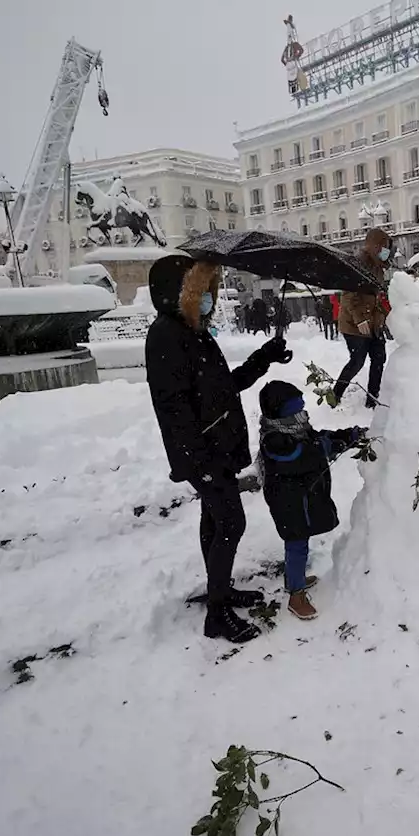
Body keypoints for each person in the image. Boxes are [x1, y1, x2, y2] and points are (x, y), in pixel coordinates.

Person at [145, 254, 291, 643]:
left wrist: (264, 358)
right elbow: (173, 410)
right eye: (202, 290)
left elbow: (223, 387)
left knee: (216, 520)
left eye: (210, 290)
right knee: (231, 522)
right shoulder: (167, 335)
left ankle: (220, 591)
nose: (209, 298)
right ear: (179, 294)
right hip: (203, 452)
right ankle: (217, 613)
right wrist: (200, 460)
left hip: (216, 447)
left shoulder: (193, 332)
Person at [256, 381, 366, 620]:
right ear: (281, 413)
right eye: (296, 410)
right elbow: (304, 454)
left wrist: (346, 436)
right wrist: (328, 446)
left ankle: (293, 579)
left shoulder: (293, 429)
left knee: (298, 543)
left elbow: (317, 438)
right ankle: (296, 595)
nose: (302, 414)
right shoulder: (275, 441)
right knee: (297, 544)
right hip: (288, 504)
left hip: (297, 500)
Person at [333, 228, 392, 407]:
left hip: (373, 323)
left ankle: (372, 400)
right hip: (353, 323)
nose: (387, 251)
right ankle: (335, 396)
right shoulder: (358, 263)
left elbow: (377, 296)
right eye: (384, 247)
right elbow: (349, 294)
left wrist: (384, 314)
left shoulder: (378, 267)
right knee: (357, 361)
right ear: (375, 246)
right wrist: (360, 319)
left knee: (379, 357)